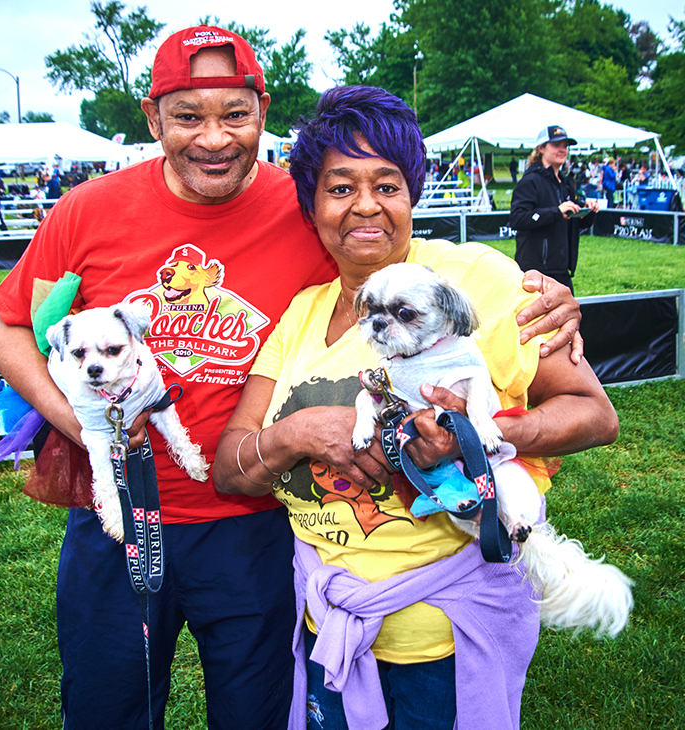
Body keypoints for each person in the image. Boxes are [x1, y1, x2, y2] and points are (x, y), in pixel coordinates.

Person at [0, 27, 582, 730]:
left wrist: (540, 293)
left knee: (256, 713)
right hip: (119, 518)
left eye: (234, 114)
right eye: (188, 116)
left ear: (262, 110)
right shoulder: (91, 208)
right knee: (106, 707)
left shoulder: (305, 206)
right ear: (153, 119)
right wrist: (84, 428)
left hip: (250, 527)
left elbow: (386, 244)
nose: (214, 138)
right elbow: (6, 326)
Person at [212, 86, 619, 730]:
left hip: (446, 638)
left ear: (413, 194)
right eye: (340, 187)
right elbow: (232, 470)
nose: (365, 205)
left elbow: (595, 414)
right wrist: (293, 434)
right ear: (311, 205)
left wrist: (481, 436)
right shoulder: (301, 312)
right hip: (331, 626)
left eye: (388, 184)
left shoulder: (474, 279)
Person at [509, 125, 598, 294]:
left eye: (565, 146)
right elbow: (517, 219)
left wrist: (588, 213)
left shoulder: (565, 183)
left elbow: (574, 223)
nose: (562, 150)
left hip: (563, 271)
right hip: (536, 273)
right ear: (541, 148)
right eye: (556, 145)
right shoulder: (530, 181)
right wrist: (555, 212)